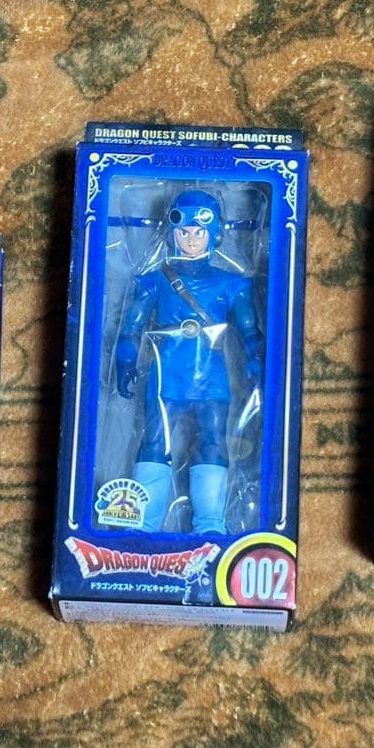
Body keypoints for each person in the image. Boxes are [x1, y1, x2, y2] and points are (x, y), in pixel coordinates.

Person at [115, 190, 263, 533]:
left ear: (214, 234)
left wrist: (256, 358)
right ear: (172, 232)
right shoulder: (154, 280)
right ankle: (143, 523)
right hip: (165, 375)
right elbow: (131, 327)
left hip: (212, 378)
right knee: (154, 442)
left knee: (213, 440)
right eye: (184, 231)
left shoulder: (231, 283)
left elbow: (249, 330)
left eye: (199, 231)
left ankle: (210, 524)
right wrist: (125, 359)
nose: (191, 239)